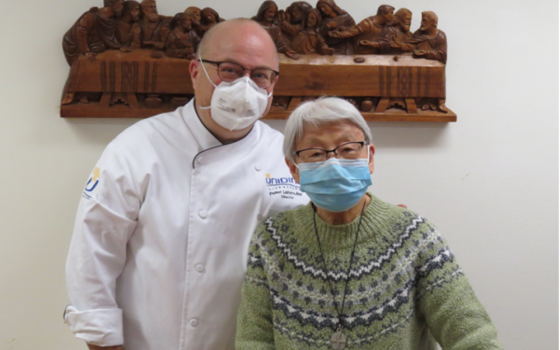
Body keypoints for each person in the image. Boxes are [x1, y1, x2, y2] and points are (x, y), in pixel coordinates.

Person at [64, 19, 309, 350]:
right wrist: (102, 340)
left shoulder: (288, 155)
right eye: (231, 70)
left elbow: (319, 239)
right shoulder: (138, 147)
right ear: (196, 72)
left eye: (260, 75)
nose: (246, 86)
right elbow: (93, 253)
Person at [236, 97, 503, 350]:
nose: (334, 163)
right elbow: (254, 340)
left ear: (370, 157)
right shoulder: (272, 239)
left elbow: (471, 335)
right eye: (316, 153)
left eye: (348, 149)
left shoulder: (414, 235)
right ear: (293, 169)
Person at [62, 0, 124, 65]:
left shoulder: (112, 18)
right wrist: (86, 51)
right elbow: (81, 30)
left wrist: (118, 46)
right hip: (74, 45)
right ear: (111, 4)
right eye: (120, 4)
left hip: (94, 43)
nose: (122, 7)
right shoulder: (91, 16)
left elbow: (108, 35)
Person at [328, 4, 394, 55]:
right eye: (391, 13)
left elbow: (386, 42)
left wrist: (372, 44)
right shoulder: (367, 24)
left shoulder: (385, 26)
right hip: (359, 52)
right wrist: (335, 34)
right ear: (383, 14)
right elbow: (351, 32)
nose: (393, 16)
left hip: (373, 55)